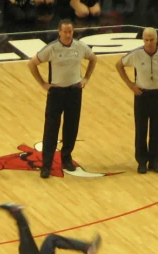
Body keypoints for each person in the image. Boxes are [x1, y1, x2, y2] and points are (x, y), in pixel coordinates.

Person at [29, 19, 97, 179]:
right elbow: (32, 64)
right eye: (65, 32)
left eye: (70, 31)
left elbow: (93, 58)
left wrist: (86, 78)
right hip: (56, 93)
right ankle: (46, 165)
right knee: (51, 129)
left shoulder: (79, 46)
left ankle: (66, 158)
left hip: (74, 91)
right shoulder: (52, 48)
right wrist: (43, 84)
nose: (68, 34)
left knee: (71, 127)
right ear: (59, 32)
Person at [116, 27, 158, 174]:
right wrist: (130, 84)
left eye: (151, 39)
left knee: (157, 129)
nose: (149, 42)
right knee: (141, 129)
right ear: (143, 40)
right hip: (142, 95)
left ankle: (154, 161)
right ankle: (141, 162)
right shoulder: (136, 54)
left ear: (157, 39)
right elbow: (119, 65)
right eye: (146, 40)